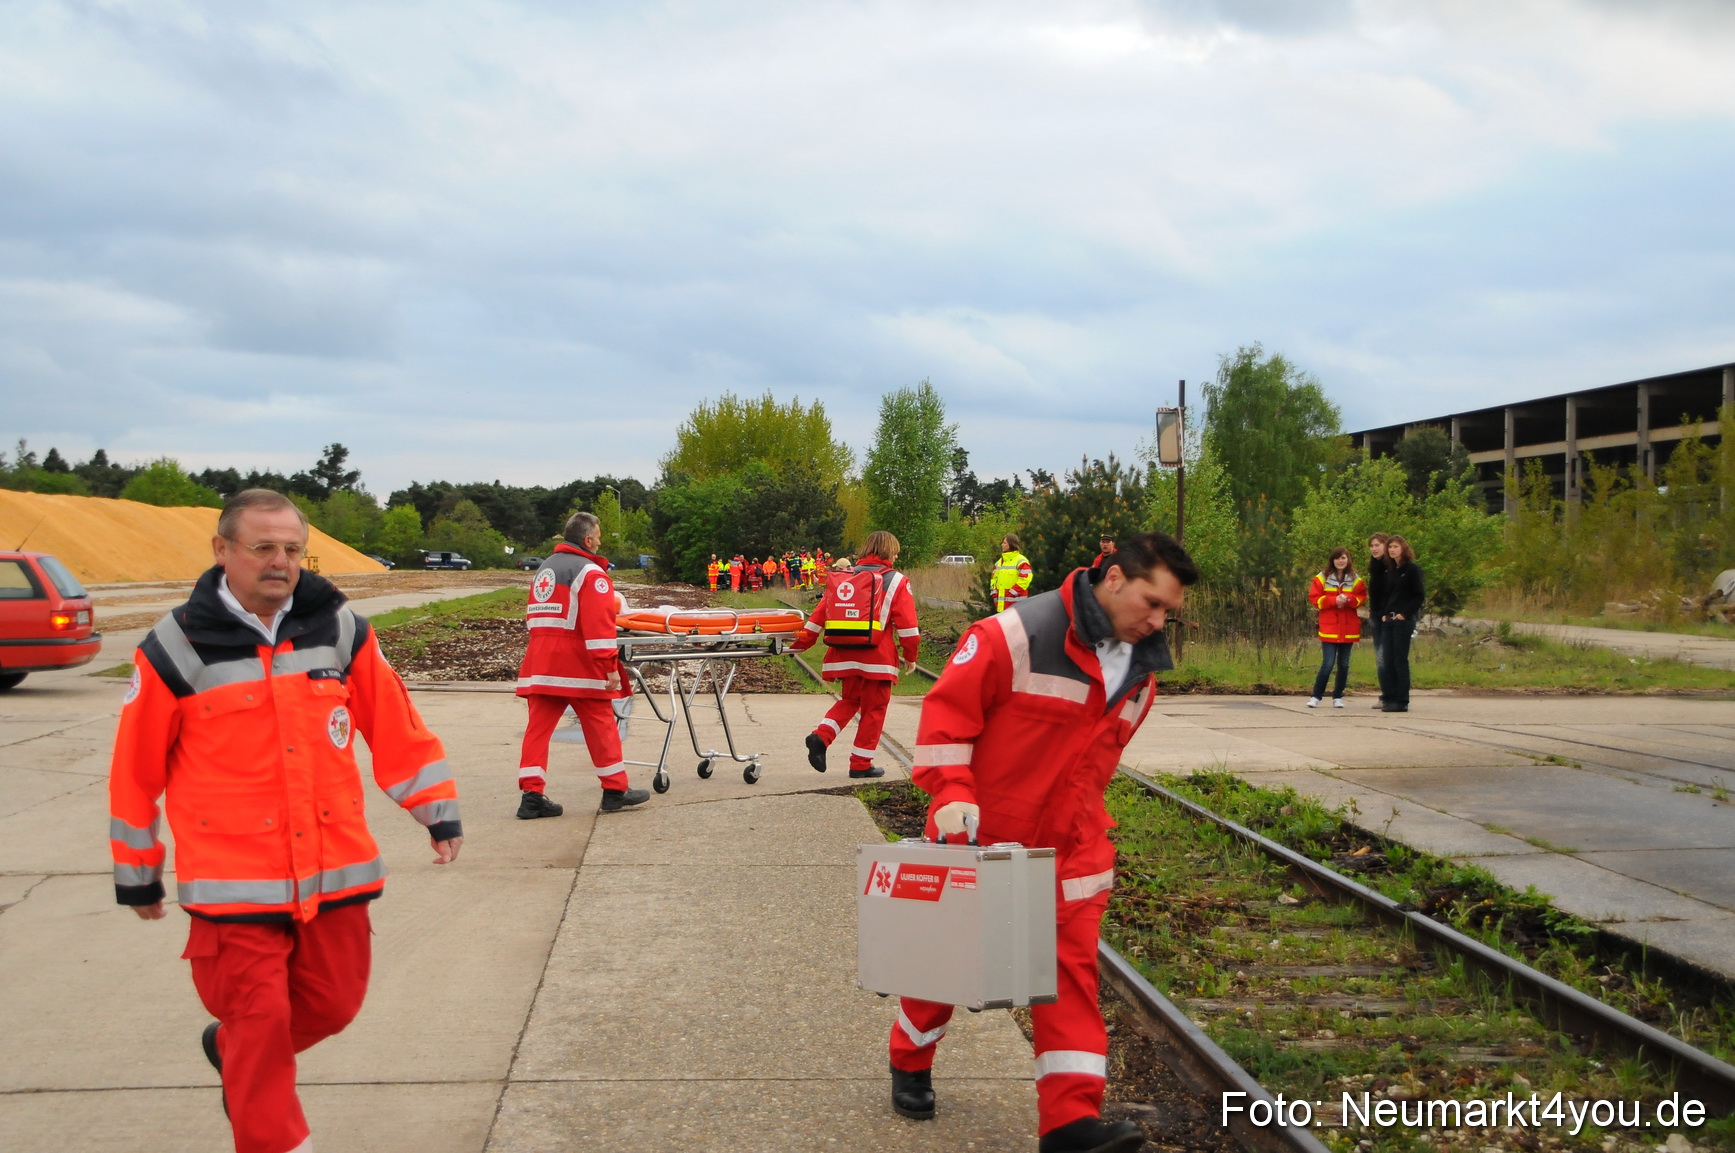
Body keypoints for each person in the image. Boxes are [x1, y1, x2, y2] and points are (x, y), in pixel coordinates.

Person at [108, 488, 464, 1153]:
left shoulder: (340, 628)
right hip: (233, 883)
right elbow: (135, 769)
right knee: (261, 1014)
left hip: (334, 868)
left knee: (331, 1003)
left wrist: (436, 810)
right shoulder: (176, 646)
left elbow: (395, 726)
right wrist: (137, 873)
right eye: (263, 547)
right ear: (222, 550)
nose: (280, 561)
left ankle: (236, 1050)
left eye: (292, 549)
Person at [894, 532, 1196, 1153]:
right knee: (946, 971)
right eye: (1153, 602)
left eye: (1169, 611)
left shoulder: (1141, 674)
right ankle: (910, 1055)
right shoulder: (1014, 634)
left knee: (1069, 978)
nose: (1159, 620)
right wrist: (951, 792)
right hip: (978, 834)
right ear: (1114, 579)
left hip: (1069, 850)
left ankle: (1069, 1124)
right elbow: (947, 718)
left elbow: (1093, 766)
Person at [515, 511, 648, 817]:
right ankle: (615, 790)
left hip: (541, 662)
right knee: (601, 723)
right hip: (576, 664)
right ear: (588, 539)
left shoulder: (545, 570)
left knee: (537, 730)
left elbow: (534, 618)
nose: (600, 541)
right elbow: (599, 626)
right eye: (598, 535)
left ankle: (531, 795)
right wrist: (609, 666)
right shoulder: (590, 574)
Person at [789, 530, 919, 779]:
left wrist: (799, 644)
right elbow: (909, 629)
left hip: (844, 654)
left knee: (849, 701)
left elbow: (819, 616)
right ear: (889, 552)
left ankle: (820, 736)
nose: (897, 555)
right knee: (875, 709)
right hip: (877, 658)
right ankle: (861, 764)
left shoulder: (844, 578)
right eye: (896, 551)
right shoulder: (897, 581)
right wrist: (910, 656)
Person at [1307, 547, 1366, 709]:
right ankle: (1316, 696)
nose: (1341, 561)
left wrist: (1348, 600)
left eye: (1344, 558)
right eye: (1337, 558)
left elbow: (1361, 597)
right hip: (1329, 628)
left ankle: (1338, 696)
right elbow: (1314, 598)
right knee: (1327, 663)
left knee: (1344, 664)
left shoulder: (1356, 579)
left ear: (1348, 560)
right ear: (1332, 560)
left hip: (1348, 628)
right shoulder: (1321, 578)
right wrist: (1334, 601)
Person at [1379, 535, 1425, 713]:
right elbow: (1387, 595)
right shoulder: (1390, 571)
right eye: (1390, 547)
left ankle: (1402, 700)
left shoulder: (1412, 570)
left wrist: (1404, 614)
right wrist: (1384, 614)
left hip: (1402, 620)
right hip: (1388, 620)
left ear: (1403, 548)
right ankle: (1390, 698)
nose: (1392, 550)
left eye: (1395, 547)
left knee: (1399, 660)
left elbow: (1419, 595)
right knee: (1388, 660)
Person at [1366, 533, 1391, 708]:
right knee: (1380, 657)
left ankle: (1391, 696)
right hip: (1375, 615)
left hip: (1388, 616)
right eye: (1372, 545)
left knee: (1386, 657)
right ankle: (1386, 694)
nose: (1374, 548)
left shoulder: (1391, 567)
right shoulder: (1374, 566)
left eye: (1378, 545)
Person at [991, 533, 1034, 612]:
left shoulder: (1021, 561)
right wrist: (994, 593)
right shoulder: (998, 563)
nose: (1002, 545)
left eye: (1004, 543)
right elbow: (993, 580)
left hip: (1017, 606)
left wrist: (1012, 593)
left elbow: (1025, 579)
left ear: (1011, 544)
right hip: (1001, 606)